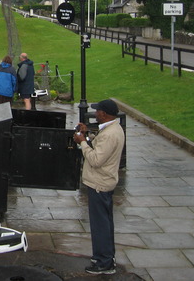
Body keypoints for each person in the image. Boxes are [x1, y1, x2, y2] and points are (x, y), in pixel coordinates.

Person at [73, 99, 125, 276]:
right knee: (104, 222)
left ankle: (104, 263)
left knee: (100, 224)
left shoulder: (110, 134)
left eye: (97, 111)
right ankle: (105, 256)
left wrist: (82, 142)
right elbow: (100, 148)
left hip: (99, 184)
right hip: (103, 182)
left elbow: (96, 160)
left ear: (104, 114)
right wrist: (86, 135)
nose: (95, 113)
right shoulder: (111, 130)